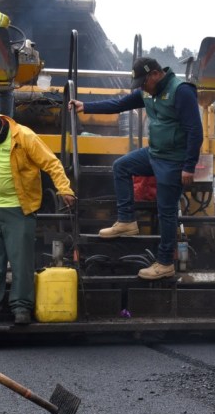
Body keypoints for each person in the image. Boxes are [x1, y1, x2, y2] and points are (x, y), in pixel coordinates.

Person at [69, 57, 202, 280]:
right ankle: (127, 221)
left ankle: (165, 263)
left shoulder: (181, 92)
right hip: (154, 153)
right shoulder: (147, 92)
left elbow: (195, 131)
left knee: (166, 211)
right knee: (121, 166)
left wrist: (189, 167)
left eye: (143, 82)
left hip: (173, 160)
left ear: (155, 75)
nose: (141, 87)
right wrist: (86, 106)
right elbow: (120, 104)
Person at [0, 107, 75, 324]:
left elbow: (52, 163)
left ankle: (21, 308)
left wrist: (64, 189)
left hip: (20, 209)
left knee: (21, 261)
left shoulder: (25, 137)